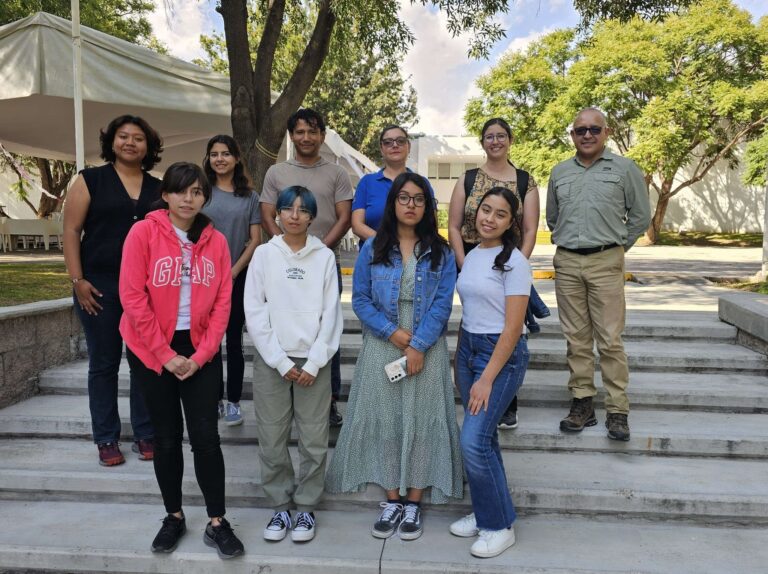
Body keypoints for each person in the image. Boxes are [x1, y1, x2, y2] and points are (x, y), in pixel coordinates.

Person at [326, 172, 463, 541]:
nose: (411, 205)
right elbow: (360, 301)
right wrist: (396, 335)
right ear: (393, 203)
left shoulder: (442, 251)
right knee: (387, 419)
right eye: (404, 198)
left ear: (428, 206)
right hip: (383, 341)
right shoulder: (373, 248)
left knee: (421, 418)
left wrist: (417, 345)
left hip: (427, 345)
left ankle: (414, 501)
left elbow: (441, 305)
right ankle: (391, 499)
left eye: (419, 199)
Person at [119, 162, 244, 559]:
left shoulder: (216, 241)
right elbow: (132, 297)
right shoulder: (143, 232)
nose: (188, 199)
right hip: (151, 347)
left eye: (196, 192)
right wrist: (165, 355)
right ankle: (173, 516)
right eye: (180, 191)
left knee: (206, 438)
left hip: (200, 346)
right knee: (166, 438)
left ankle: (217, 522)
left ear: (204, 196)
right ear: (166, 195)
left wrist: (203, 353)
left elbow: (224, 301)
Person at [244, 186, 342, 544]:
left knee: (314, 439)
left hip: (314, 360)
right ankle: (280, 505)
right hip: (273, 360)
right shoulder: (265, 255)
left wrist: (315, 362)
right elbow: (254, 310)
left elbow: (331, 313)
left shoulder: (324, 257)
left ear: (313, 217)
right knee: (272, 437)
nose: (295, 215)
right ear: (278, 214)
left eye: (303, 210)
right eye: (288, 208)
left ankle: (305, 508)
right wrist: (279, 360)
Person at [546, 107, 651, 441]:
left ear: (606, 132)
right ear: (573, 135)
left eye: (594, 129)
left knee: (609, 339)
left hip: (606, 261)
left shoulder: (624, 169)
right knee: (576, 339)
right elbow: (553, 218)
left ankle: (618, 410)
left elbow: (639, 216)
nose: (587, 135)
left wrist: (617, 248)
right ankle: (582, 404)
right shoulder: (559, 172)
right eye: (580, 131)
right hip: (568, 262)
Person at [63, 114, 162, 467]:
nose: (130, 142)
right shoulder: (90, 180)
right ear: (112, 141)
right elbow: (72, 231)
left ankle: (146, 432)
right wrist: (78, 280)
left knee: (144, 362)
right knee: (104, 362)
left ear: (148, 146)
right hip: (98, 286)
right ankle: (106, 437)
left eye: (138, 138)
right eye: (124, 136)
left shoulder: (157, 188)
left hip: (145, 289)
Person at [447, 117, 546, 431]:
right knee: (477, 320)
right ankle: (475, 390)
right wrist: (465, 262)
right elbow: (453, 224)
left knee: (507, 325)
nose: (495, 141)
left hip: (505, 257)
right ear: (482, 142)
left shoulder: (524, 180)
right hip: (471, 256)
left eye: (501, 135)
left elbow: (529, 229)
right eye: (489, 136)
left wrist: (513, 264)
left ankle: (505, 401)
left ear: (510, 140)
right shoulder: (468, 178)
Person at [450, 187, 531, 559]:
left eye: (500, 214)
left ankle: (499, 527)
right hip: (469, 347)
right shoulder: (474, 255)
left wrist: (485, 378)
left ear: (510, 222)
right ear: (475, 211)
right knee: (485, 441)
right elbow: (471, 310)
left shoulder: (515, 262)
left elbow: (512, 330)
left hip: (500, 355)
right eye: (485, 210)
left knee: (473, 442)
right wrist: (459, 358)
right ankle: (488, 514)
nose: (489, 218)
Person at [259, 108, 352, 428]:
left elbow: (344, 217)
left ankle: (328, 401)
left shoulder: (336, 173)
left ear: (322, 136)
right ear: (291, 135)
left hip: (325, 262)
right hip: (281, 266)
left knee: (327, 329)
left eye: (313, 132)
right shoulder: (276, 173)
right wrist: (283, 249)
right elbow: (267, 214)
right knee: (281, 324)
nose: (306, 138)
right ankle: (284, 395)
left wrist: (319, 251)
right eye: (299, 132)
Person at [202, 134, 261, 426]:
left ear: (236, 158)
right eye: (214, 154)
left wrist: (234, 270)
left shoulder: (249, 196)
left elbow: (255, 239)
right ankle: (211, 399)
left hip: (237, 277)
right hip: (202, 278)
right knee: (208, 343)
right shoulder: (200, 191)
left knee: (233, 342)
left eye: (226, 153)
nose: (220, 159)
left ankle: (233, 401)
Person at [351, 125, 434, 244]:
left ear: (408, 146)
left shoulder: (422, 183)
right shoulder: (367, 182)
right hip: (374, 257)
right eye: (388, 142)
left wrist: (407, 248)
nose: (395, 145)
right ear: (381, 148)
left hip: (414, 258)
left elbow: (431, 224)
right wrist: (388, 246)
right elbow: (357, 225)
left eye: (400, 141)